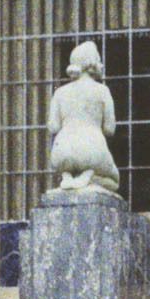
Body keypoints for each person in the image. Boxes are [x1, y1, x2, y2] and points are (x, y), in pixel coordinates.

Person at [47, 41, 120, 193]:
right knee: (114, 181)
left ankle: (67, 176)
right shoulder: (102, 90)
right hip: (92, 149)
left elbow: (53, 126)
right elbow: (109, 129)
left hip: (62, 151)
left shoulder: (60, 92)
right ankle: (89, 175)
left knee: (67, 164)